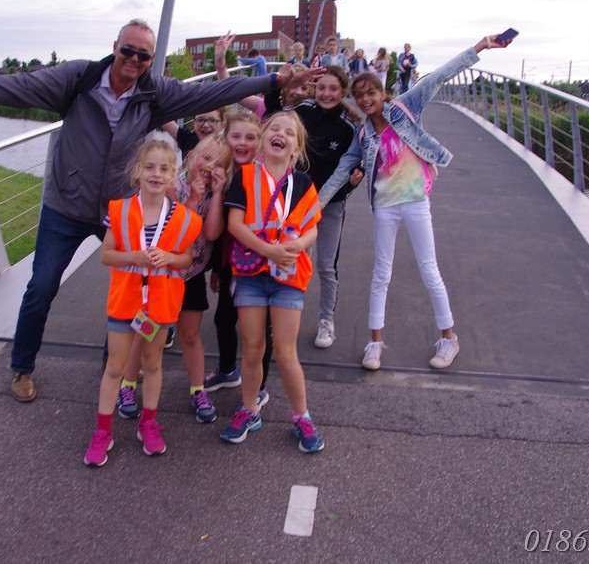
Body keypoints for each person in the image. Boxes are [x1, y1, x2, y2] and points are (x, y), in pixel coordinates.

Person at [0, 19, 321, 403]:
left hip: (121, 210)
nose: (134, 60)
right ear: (115, 47)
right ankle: (22, 367)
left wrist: (274, 80)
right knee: (42, 286)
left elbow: (210, 94)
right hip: (66, 205)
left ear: (150, 59)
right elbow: (20, 86)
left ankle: (117, 371)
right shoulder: (80, 79)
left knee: (133, 288)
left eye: (144, 55)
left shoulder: (153, 92)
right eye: (128, 50)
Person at [318, 33, 516, 372]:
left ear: (382, 92)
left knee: (429, 269)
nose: (365, 100)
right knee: (381, 273)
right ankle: (375, 343)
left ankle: (448, 338)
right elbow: (339, 174)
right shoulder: (363, 135)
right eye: (359, 96)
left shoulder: (405, 107)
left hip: (415, 202)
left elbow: (438, 76)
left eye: (370, 93)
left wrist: (481, 46)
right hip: (385, 207)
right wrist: (312, 208)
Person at [84, 133, 202, 466]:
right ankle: (103, 431)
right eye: (149, 167)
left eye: (164, 169)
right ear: (137, 171)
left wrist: (170, 258)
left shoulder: (184, 218)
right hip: (125, 302)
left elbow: (187, 259)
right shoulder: (120, 210)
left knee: (152, 364)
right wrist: (132, 256)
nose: (156, 174)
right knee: (116, 367)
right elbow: (106, 255)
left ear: (173, 175)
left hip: (159, 305)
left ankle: (148, 423)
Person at [219, 111, 325, 453]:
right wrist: (269, 250)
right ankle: (249, 410)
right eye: (274, 129)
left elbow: (312, 227)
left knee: (285, 351)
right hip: (251, 275)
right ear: (264, 139)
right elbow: (235, 224)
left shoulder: (303, 183)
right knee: (252, 347)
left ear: (297, 148)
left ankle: (302, 416)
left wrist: (298, 244)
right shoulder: (246, 176)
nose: (281, 134)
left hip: (289, 276)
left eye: (289, 132)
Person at [116, 134, 232, 424]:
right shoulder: (170, 185)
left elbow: (211, 233)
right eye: (207, 158)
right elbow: (177, 233)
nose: (211, 166)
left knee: (190, 334)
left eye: (220, 164)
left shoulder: (215, 195)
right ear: (191, 157)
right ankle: (127, 385)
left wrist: (217, 194)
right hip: (159, 277)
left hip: (190, 275)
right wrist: (192, 199)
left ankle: (197, 389)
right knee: (144, 332)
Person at [265, 66, 362, 349]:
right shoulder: (303, 112)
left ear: (343, 92)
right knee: (293, 260)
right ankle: (286, 317)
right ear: (314, 88)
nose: (326, 94)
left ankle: (326, 320)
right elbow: (274, 113)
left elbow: (353, 168)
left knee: (326, 266)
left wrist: (352, 184)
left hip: (330, 205)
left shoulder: (349, 127)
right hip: (297, 204)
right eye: (321, 88)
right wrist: (280, 83)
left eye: (333, 89)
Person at [203, 111, 274, 409]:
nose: (242, 143)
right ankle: (228, 370)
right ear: (226, 138)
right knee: (223, 319)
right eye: (236, 136)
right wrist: (217, 270)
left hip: (260, 266)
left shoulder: (265, 175)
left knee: (258, 330)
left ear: (260, 142)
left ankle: (259, 386)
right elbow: (220, 232)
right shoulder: (222, 172)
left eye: (250, 137)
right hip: (232, 263)